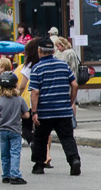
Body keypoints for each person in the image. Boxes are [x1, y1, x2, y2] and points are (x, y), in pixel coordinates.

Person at [28, 37, 80, 176]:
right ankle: (74, 159)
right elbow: (74, 85)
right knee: (67, 137)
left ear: (39, 51)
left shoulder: (37, 68)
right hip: (63, 110)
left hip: (45, 111)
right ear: (53, 51)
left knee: (40, 138)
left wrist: (34, 112)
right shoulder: (63, 65)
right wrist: (70, 101)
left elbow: (35, 92)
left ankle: (39, 165)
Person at [0, 71, 30, 185]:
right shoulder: (19, 100)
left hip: (2, 131)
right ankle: (15, 175)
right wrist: (18, 115)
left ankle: (6, 175)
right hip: (15, 130)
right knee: (15, 153)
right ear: (15, 85)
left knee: (5, 154)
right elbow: (27, 115)